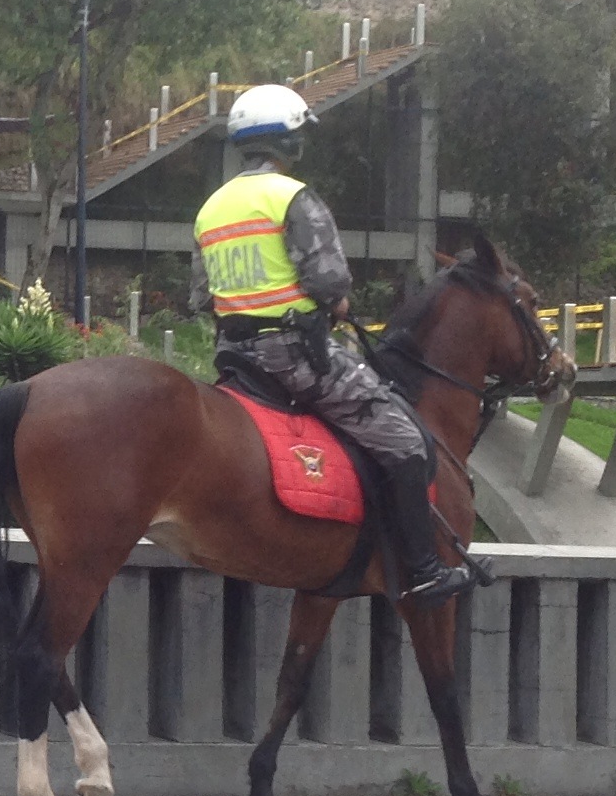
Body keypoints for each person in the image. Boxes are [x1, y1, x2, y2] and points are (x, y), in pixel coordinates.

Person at [188, 83, 473, 606]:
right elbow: (330, 283)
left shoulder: (211, 209)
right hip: (297, 358)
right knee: (406, 443)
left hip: (236, 358)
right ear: (288, 142)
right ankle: (424, 569)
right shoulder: (292, 197)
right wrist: (336, 305)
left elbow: (201, 295)